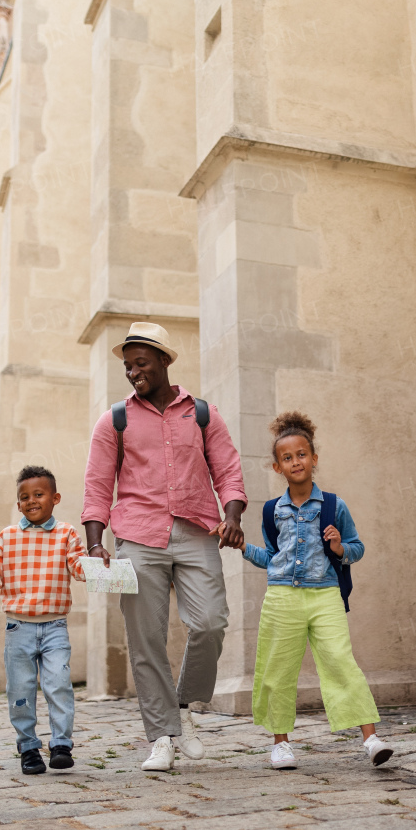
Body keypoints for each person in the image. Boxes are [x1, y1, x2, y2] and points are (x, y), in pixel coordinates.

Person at [81, 322, 247, 771]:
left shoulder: (203, 413)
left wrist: (232, 515)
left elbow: (228, 471)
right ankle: (161, 735)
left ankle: (184, 706)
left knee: (211, 622)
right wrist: (96, 544)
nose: (134, 372)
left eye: (141, 363)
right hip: (137, 536)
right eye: (127, 366)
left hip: (197, 531)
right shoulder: (115, 419)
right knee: (145, 639)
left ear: (164, 361)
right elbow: (97, 486)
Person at [234, 411, 393, 770]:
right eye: (287, 458)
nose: (295, 461)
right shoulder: (272, 511)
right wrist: (243, 547)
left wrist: (339, 547)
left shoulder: (335, 506)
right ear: (278, 467)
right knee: (277, 669)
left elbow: (357, 548)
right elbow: (272, 557)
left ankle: (371, 738)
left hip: (325, 595)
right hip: (282, 596)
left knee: (340, 661)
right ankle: (280, 745)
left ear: (314, 458)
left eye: (301, 454)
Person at [0, 465, 86, 775]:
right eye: (24, 497)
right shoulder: (8, 536)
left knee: (58, 683)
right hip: (18, 627)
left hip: (55, 627)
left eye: (39, 494)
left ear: (55, 498)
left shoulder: (66, 533)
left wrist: (98, 563)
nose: (31, 501)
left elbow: (78, 569)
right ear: (18, 502)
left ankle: (61, 744)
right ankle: (28, 748)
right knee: (20, 690)